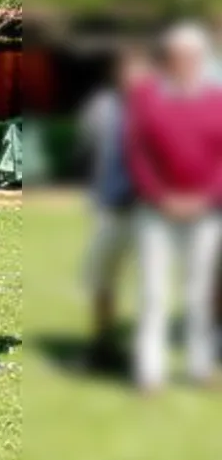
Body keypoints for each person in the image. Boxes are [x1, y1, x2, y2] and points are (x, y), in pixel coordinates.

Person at [123, 23, 222, 391]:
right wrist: (161, 195)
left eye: (193, 56)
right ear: (167, 59)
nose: (185, 62)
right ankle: (150, 371)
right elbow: (136, 152)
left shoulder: (217, 100)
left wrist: (205, 197)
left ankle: (199, 366)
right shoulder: (147, 97)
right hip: (156, 211)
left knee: (199, 292)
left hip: (206, 211)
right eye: (177, 56)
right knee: (154, 292)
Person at [77, 47, 149, 364]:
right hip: (110, 208)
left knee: (149, 282)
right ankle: (103, 344)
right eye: (128, 69)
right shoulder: (101, 108)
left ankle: (145, 349)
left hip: (149, 211)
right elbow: (88, 150)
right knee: (104, 280)